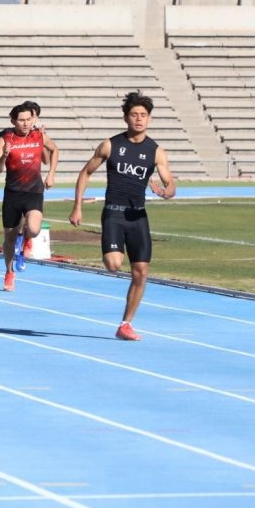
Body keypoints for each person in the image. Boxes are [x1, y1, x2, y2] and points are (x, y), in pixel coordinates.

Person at [69, 91, 176, 341]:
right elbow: (85, 172)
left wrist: (164, 192)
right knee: (114, 265)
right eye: (134, 114)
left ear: (149, 119)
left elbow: (170, 184)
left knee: (141, 272)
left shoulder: (156, 151)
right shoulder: (110, 145)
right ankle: (112, 250)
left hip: (138, 217)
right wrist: (77, 206)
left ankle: (125, 324)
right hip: (113, 214)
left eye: (143, 115)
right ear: (126, 118)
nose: (139, 119)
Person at [0, 100, 59, 291]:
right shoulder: (6, 138)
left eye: (28, 119)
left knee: (33, 229)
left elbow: (54, 150)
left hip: (34, 191)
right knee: (9, 237)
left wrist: (51, 173)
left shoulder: (39, 135)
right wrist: (4, 156)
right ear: (13, 121)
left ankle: (26, 239)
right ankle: (9, 273)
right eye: (21, 120)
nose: (26, 123)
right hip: (13, 194)